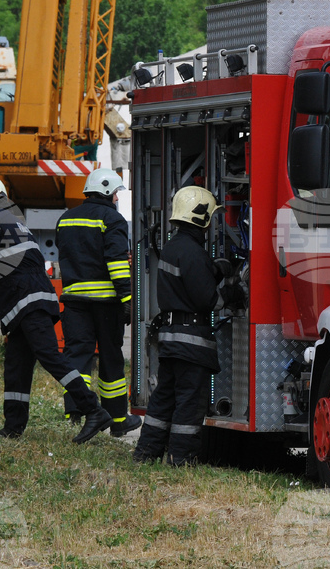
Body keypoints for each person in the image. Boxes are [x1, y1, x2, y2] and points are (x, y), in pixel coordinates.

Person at [0, 175, 111, 443]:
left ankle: (93, 410)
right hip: (27, 303)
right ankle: (13, 426)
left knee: (50, 356)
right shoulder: (10, 218)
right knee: (17, 364)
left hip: (29, 302)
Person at [132, 185, 224, 466]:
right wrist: (230, 290)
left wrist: (213, 269)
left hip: (171, 340)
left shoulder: (173, 248)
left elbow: (185, 283)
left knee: (163, 400)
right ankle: (180, 459)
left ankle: (146, 453)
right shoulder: (194, 253)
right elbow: (209, 300)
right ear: (201, 218)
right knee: (189, 401)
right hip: (192, 342)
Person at [55, 168, 141, 437]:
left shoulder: (66, 218)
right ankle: (117, 420)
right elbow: (116, 262)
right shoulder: (112, 219)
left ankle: (77, 410)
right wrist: (127, 298)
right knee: (111, 360)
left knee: (76, 355)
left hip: (74, 300)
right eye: (116, 193)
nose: (117, 198)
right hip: (106, 302)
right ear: (106, 192)